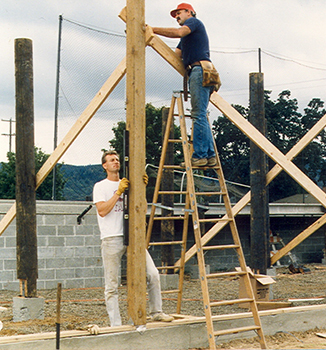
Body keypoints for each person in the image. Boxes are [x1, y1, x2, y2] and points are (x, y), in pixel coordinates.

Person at [93, 150, 173, 326]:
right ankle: (116, 324)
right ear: (104, 165)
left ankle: (156, 311)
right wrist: (118, 193)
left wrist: (140, 188)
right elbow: (102, 210)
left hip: (133, 235)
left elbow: (141, 208)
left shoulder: (128, 183)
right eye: (112, 160)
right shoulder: (101, 186)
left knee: (152, 274)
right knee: (112, 285)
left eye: (117, 159)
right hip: (111, 237)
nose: (116, 162)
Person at [152, 2, 216, 167]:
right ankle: (209, 156)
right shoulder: (186, 38)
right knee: (200, 114)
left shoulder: (194, 23)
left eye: (178, 13)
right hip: (200, 71)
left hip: (199, 71)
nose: (176, 17)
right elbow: (176, 55)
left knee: (198, 114)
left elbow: (178, 32)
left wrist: (152, 30)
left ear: (189, 12)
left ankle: (200, 156)